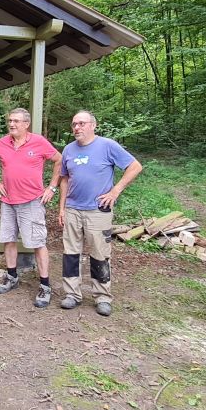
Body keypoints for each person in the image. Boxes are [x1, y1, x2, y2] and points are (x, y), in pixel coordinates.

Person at [57, 110, 143, 316]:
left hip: (97, 210)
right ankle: (72, 294)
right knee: (70, 253)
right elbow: (65, 179)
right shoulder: (69, 150)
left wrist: (115, 191)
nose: (77, 127)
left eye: (82, 123)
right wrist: (61, 208)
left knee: (99, 254)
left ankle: (102, 297)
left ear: (93, 125)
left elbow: (135, 166)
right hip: (72, 209)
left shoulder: (107, 146)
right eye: (74, 124)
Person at [0, 108, 61, 307]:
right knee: (8, 240)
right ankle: (12, 277)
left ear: (26, 124)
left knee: (37, 243)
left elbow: (59, 160)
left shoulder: (38, 142)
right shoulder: (3, 142)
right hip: (8, 201)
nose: (12, 124)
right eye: (10, 121)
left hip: (32, 201)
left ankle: (45, 286)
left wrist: (52, 187)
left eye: (16, 121)